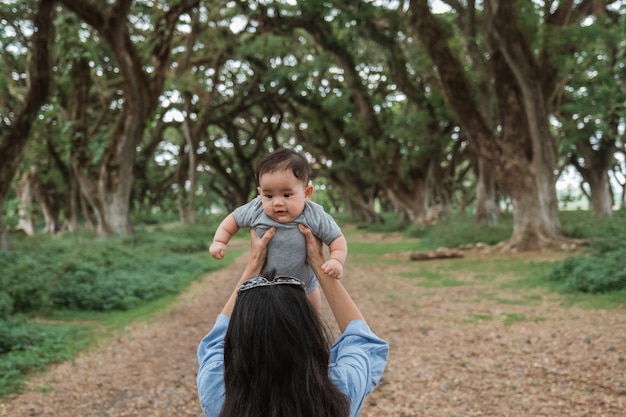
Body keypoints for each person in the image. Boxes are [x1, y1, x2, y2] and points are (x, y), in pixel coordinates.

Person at [196, 225, 389, 417]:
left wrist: (254, 264)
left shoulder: (218, 392)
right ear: (310, 331)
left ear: (239, 335)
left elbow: (215, 340)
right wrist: (317, 261)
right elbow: (364, 341)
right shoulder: (339, 390)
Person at [209, 148, 348, 312]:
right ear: (260, 193)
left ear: (306, 193)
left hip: (305, 286)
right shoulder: (257, 209)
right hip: (265, 286)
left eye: (287, 195)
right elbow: (232, 220)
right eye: (269, 196)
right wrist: (219, 241)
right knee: (264, 320)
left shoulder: (313, 214)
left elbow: (336, 239)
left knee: (312, 318)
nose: (277, 203)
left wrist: (336, 261)